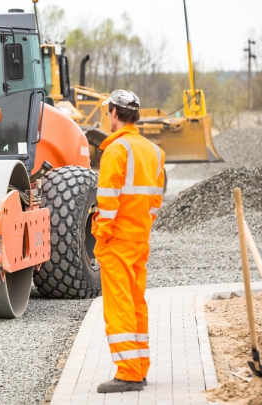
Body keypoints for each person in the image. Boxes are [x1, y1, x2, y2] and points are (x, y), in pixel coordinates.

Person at [91, 89, 165, 393]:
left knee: (119, 304)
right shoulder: (154, 152)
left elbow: (107, 200)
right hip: (139, 239)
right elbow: (155, 203)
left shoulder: (116, 150)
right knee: (136, 303)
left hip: (117, 240)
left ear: (113, 113)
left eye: (108, 111)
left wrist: (101, 233)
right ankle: (139, 367)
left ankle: (128, 373)